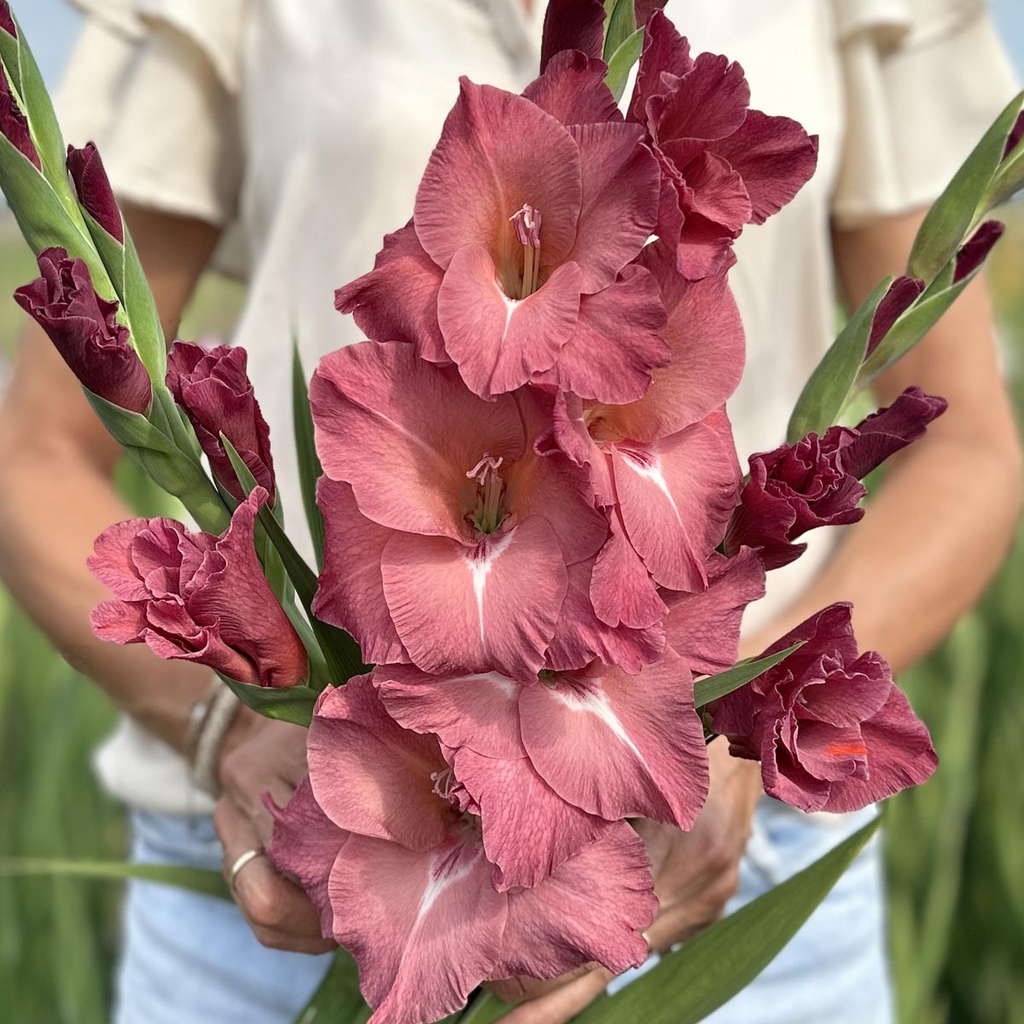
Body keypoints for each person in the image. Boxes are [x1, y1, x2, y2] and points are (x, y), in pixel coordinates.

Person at [0, 1, 1019, 1022]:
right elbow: (35, 452)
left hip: (717, 859)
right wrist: (224, 716)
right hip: (279, 872)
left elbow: (970, 446)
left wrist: (727, 715)